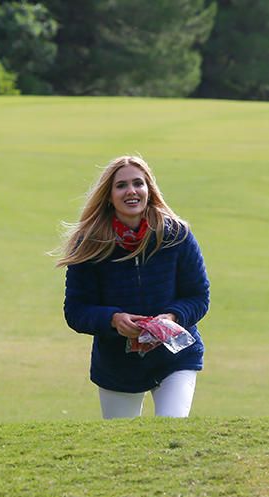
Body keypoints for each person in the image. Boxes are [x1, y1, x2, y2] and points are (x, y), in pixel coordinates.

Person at [57, 155, 210, 419]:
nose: (131, 191)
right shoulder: (90, 244)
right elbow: (76, 310)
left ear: (149, 190)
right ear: (109, 196)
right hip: (117, 366)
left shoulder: (177, 236)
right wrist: (114, 320)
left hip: (175, 357)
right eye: (121, 185)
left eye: (138, 183)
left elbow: (198, 296)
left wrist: (172, 317)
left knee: (171, 427)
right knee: (121, 444)